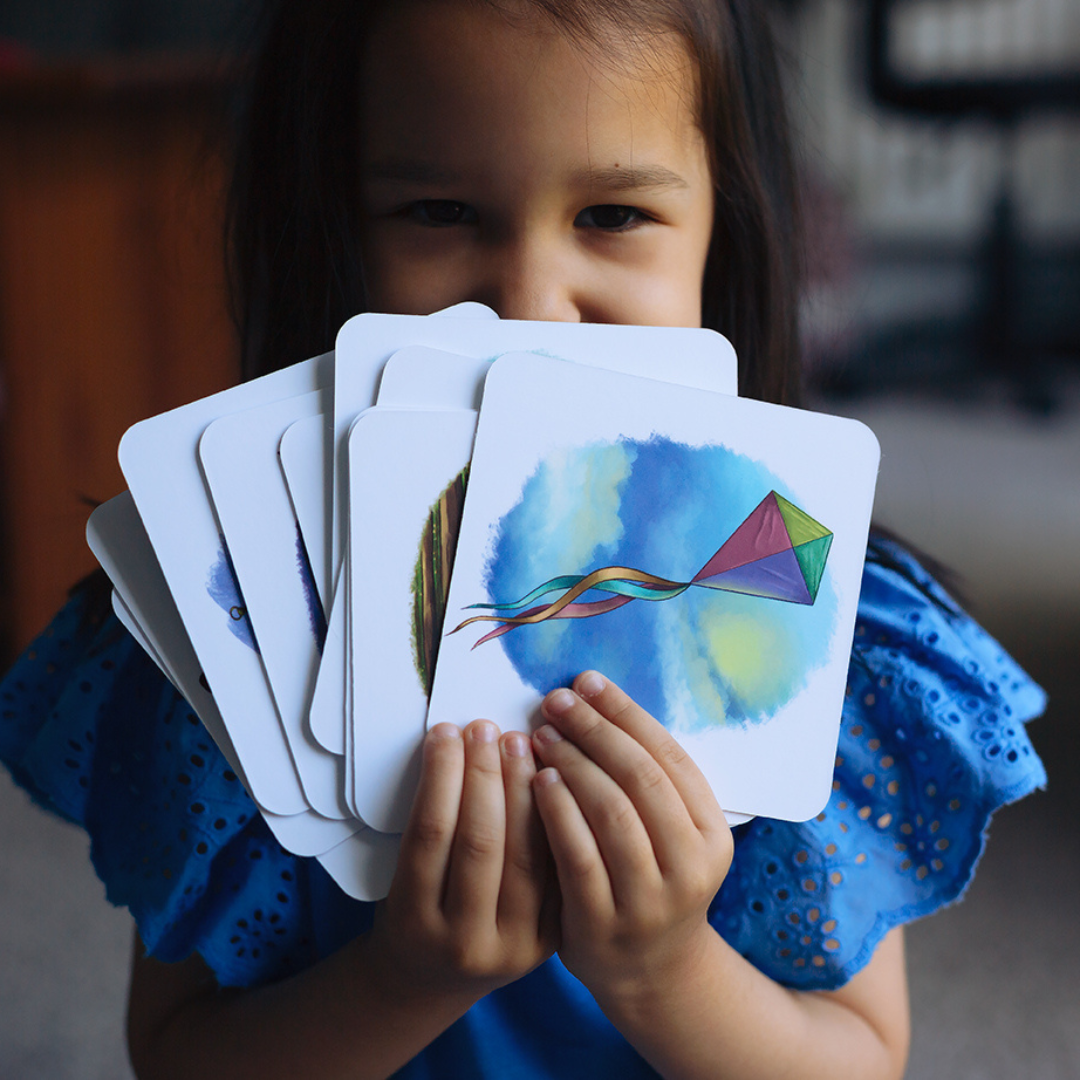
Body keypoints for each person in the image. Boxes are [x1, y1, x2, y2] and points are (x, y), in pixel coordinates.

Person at [0, 2, 1046, 1078]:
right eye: (440, 209)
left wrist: (662, 968)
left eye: (613, 213)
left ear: (723, 235)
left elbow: (861, 1059)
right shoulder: (225, 649)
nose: (530, 306)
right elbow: (177, 1055)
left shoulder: (812, 635)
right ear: (328, 231)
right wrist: (401, 980)